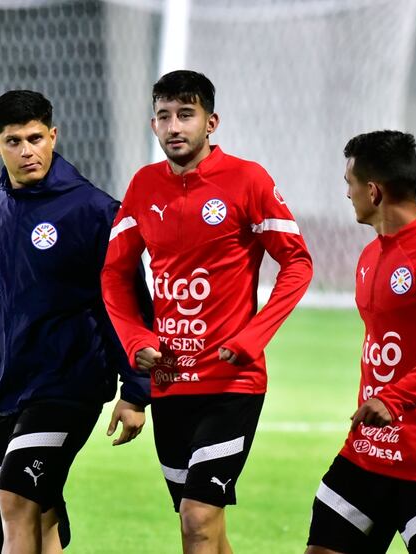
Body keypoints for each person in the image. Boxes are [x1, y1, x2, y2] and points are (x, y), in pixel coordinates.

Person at [101, 70, 313, 553]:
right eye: (164, 116)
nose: (174, 126)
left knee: (197, 517)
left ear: (210, 122)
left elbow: (297, 264)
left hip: (230, 384)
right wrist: (136, 340)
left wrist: (252, 338)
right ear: (152, 124)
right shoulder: (143, 186)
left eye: (186, 115)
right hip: (170, 380)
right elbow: (113, 274)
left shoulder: (248, 180)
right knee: (203, 526)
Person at [0, 90, 151, 554]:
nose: (28, 151)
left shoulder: (94, 211)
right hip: (6, 389)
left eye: (36, 138)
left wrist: (136, 391)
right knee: (42, 517)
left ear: (53, 135)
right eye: (14, 141)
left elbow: (127, 306)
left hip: (69, 386)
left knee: (15, 500)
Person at [305, 130, 416, 554]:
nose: (346, 194)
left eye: (349, 183)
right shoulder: (371, 255)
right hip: (366, 451)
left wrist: (394, 399)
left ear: (374, 191)